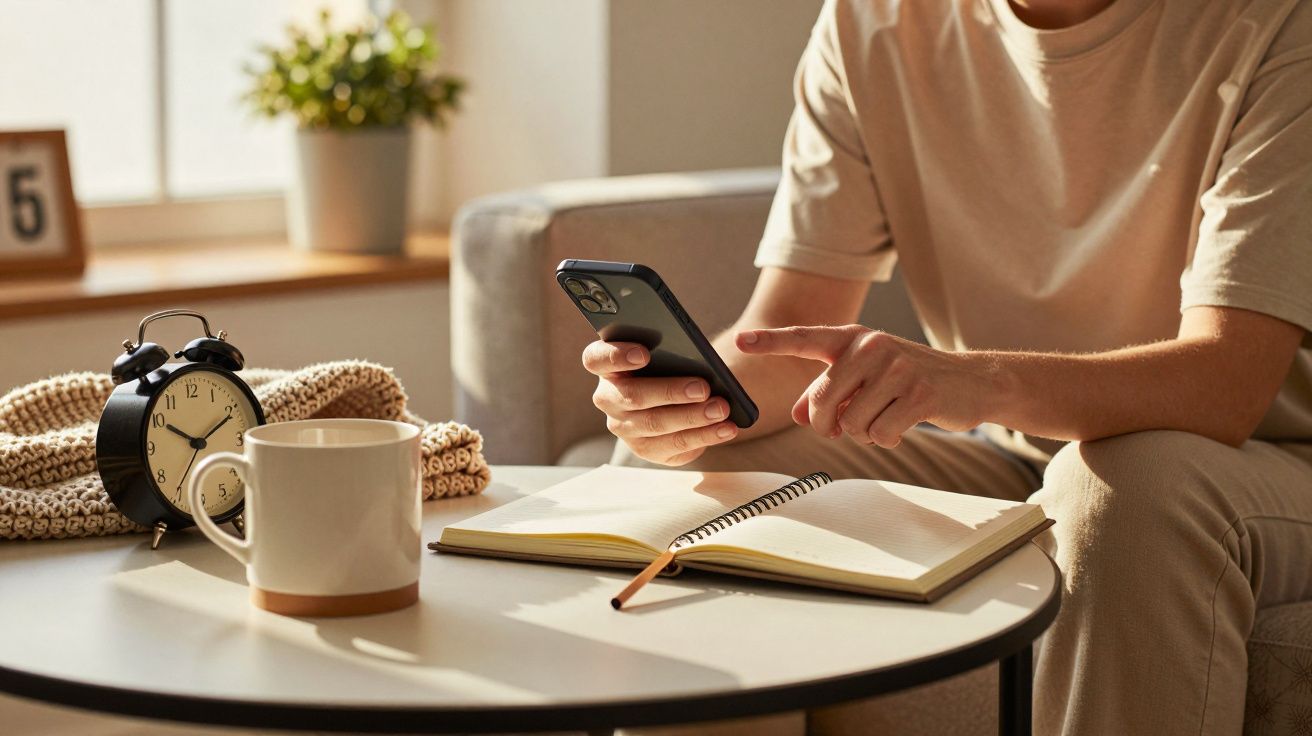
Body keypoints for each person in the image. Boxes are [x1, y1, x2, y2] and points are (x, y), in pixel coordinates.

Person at [580, 0, 1312, 733]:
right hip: (1017, 454)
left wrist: (974, 381)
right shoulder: (873, 23)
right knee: (691, 468)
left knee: (1124, 490)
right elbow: (788, 329)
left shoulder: (1278, 24)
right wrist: (685, 401)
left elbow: (1227, 385)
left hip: (1260, 462)